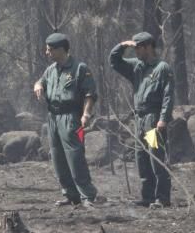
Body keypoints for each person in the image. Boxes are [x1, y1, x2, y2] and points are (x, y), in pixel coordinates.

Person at [33, 32, 98, 208]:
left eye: (50, 50)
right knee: (57, 157)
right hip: (53, 117)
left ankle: (87, 196)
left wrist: (86, 114)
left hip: (71, 117)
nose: (47, 53)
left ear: (61, 49)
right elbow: (41, 81)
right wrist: (38, 84)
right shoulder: (51, 70)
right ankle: (70, 195)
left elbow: (90, 94)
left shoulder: (79, 68)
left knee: (75, 157)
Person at [109, 32, 174, 208]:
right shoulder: (136, 67)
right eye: (135, 48)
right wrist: (123, 45)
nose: (135, 51)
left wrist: (163, 119)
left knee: (155, 158)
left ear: (148, 47)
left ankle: (162, 198)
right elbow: (114, 61)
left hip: (153, 120)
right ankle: (148, 197)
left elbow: (168, 96)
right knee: (142, 158)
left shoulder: (162, 68)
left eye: (138, 48)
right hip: (139, 120)